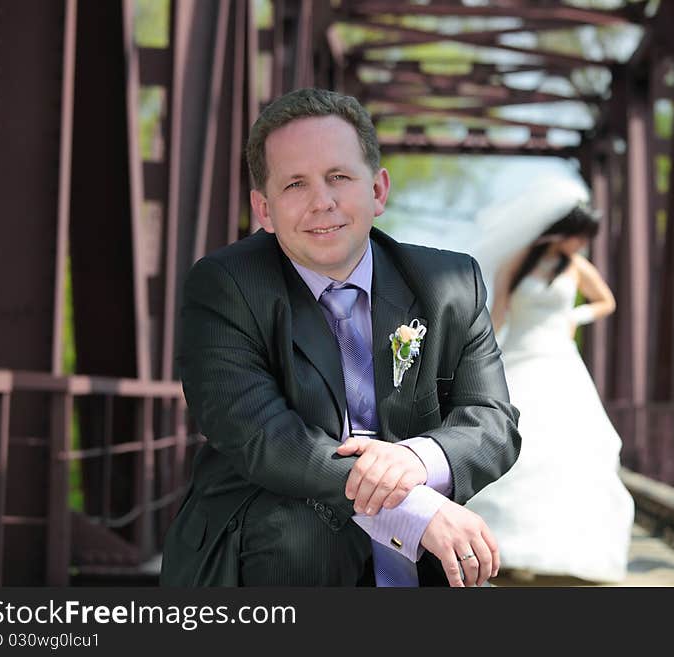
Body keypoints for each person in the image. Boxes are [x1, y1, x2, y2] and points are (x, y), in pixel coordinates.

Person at [159, 88, 521, 587]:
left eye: (338, 177)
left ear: (377, 190)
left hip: (418, 554)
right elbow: (263, 437)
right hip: (270, 555)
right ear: (263, 210)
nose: (321, 203)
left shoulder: (451, 285)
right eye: (295, 185)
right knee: (303, 533)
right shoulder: (226, 286)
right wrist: (414, 509)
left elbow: (492, 423)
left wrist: (416, 459)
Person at [466, 205, 634, 583]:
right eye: (581, 235)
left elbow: (606, 301)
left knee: (568, 446)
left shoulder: (574, 265)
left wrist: (576, 317)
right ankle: (505, 546)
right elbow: (499, 314)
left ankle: (562, 545)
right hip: (519, 356)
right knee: (516, 442)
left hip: (559, 358)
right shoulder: (516, 261)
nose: (582, 244)